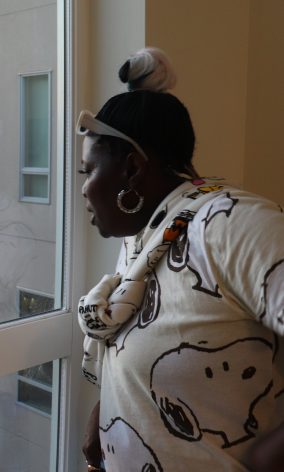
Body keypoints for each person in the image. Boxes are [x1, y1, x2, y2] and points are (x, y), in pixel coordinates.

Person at [76, 48, 284, 471]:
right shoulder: (153, 233)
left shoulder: (231, 225)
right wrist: (107, 414)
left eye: (88, 171)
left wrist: (271, 457)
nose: (83, 189)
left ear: (132, 169)